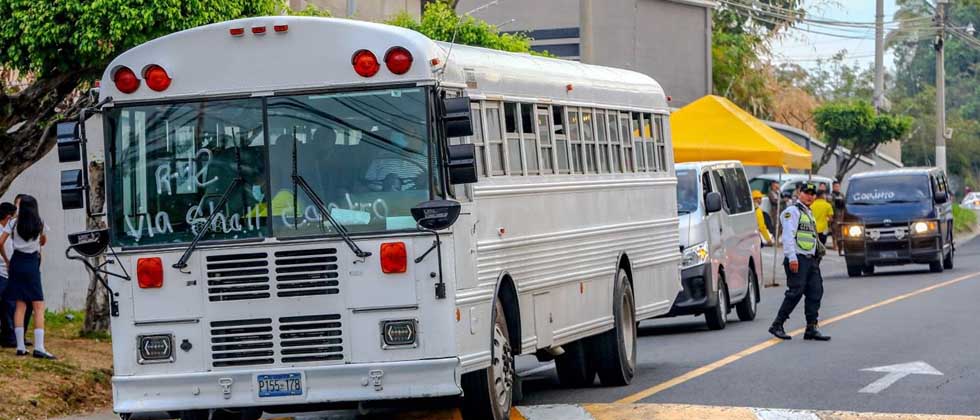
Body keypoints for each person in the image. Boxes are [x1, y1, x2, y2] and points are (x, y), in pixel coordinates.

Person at [768, 183, 831, 342]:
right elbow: (788, 235)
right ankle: (777, 324)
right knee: (795, 292)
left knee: (815, 292)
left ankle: (811, 328)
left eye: (812, 193)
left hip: (810, 260)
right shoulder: (792, 212)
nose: (810, 196)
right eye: (806, 192)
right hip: (798, 258)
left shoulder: (808, 213)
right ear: (799, 193)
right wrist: (792, 257)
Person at [0, 195, 55, 358]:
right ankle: (39, 347)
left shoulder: (13, 222)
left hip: (16, 262)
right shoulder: (40, 222)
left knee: (20, 304)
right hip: (31, 262)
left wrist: (6, 259)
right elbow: (43, 241)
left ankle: (20, 347)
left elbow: (0, 242)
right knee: (38, 305)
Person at [0, 202, 17, 347]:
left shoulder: (8, 232)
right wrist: (7, 261)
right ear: (9, 217)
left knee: (8, 306)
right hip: (3, 273)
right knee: (7, 305)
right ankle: (9, 337)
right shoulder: (3, 231)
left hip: (7, 272)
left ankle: (9, 337)